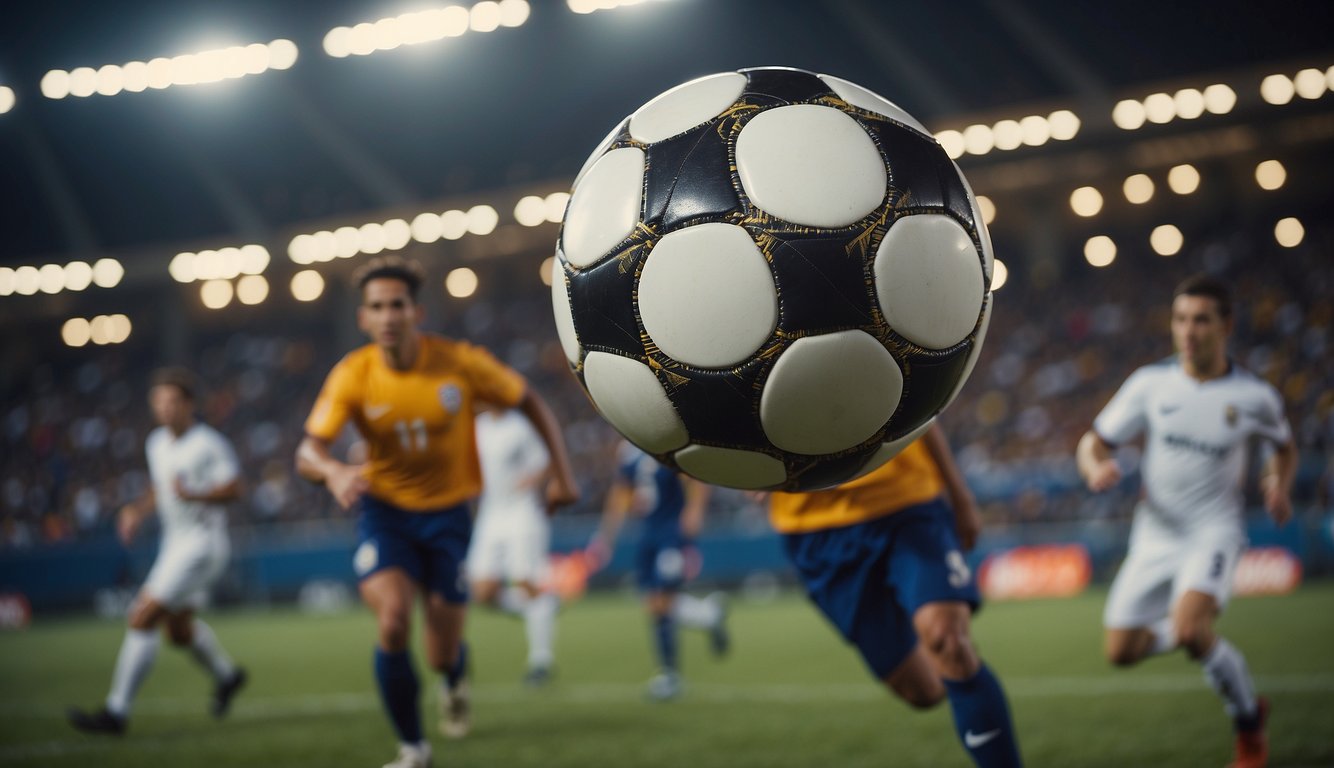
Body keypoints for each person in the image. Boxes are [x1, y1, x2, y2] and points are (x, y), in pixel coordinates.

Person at [296, 255, 578, 768]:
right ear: (363, 318)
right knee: (395, 620)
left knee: (441, 652)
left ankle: (454, 678)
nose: (387, 316)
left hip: (449, 518)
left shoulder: (460, 363)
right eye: (376, 307)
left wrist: (561, 474)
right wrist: (333, 471)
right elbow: (308, 451)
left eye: (396, 305)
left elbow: (530, 402)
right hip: (385, 514)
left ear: (416, 312)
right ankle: (413, 748)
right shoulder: (352, 375)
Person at [1076, 274, 1296, 768]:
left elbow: (1284, 448)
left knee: (1193, 630)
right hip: (1154, 534)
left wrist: (1277, 482)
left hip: (1213, 531)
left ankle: (1248, 723)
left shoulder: (1254, 396)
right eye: (1180, 320)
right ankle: (1232, 684)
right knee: (1121, 651)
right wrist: (1095, 467)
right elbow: (1093, 442)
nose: (1188, 331)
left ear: (1227, 326)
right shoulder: (1150, 384)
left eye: (1201, 320)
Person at [767, 423, 1022, 768]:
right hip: (814, 530)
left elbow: (926, 411)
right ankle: (967, 689)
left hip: (906, 503)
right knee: (923, 691)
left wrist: (960, 497)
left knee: (948, 640)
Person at [68, 367, 247, 735]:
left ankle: (116, 712)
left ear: (189, 404)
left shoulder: (208, 444)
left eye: (172, 401)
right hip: (175, 544)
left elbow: (235, 489)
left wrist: (196, 494)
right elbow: (160, 489)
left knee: (141, 616)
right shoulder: (156, 444)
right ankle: (228, 676)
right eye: (158, 402)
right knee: (178, 633)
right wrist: (136, 511)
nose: (164, 409)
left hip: (201, 545)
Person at [589, 441, 729, 701]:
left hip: (670, 534)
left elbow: (697, 478)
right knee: (654, 604)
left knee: (662, 600)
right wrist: (607, 535)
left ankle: (669, 674)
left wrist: (694, 511)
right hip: (647, 536)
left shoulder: (666, 443)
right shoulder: (628, 451)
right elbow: (621, 494)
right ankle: (707, 615)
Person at [466, 404, 561, 687]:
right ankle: (543, 607)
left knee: (525, 582)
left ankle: (541, 660)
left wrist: (532, 480)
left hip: (521, 510)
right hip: (491, 511)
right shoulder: (477, 426)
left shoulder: (521, 425)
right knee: (482, 592)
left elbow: (546, 458)